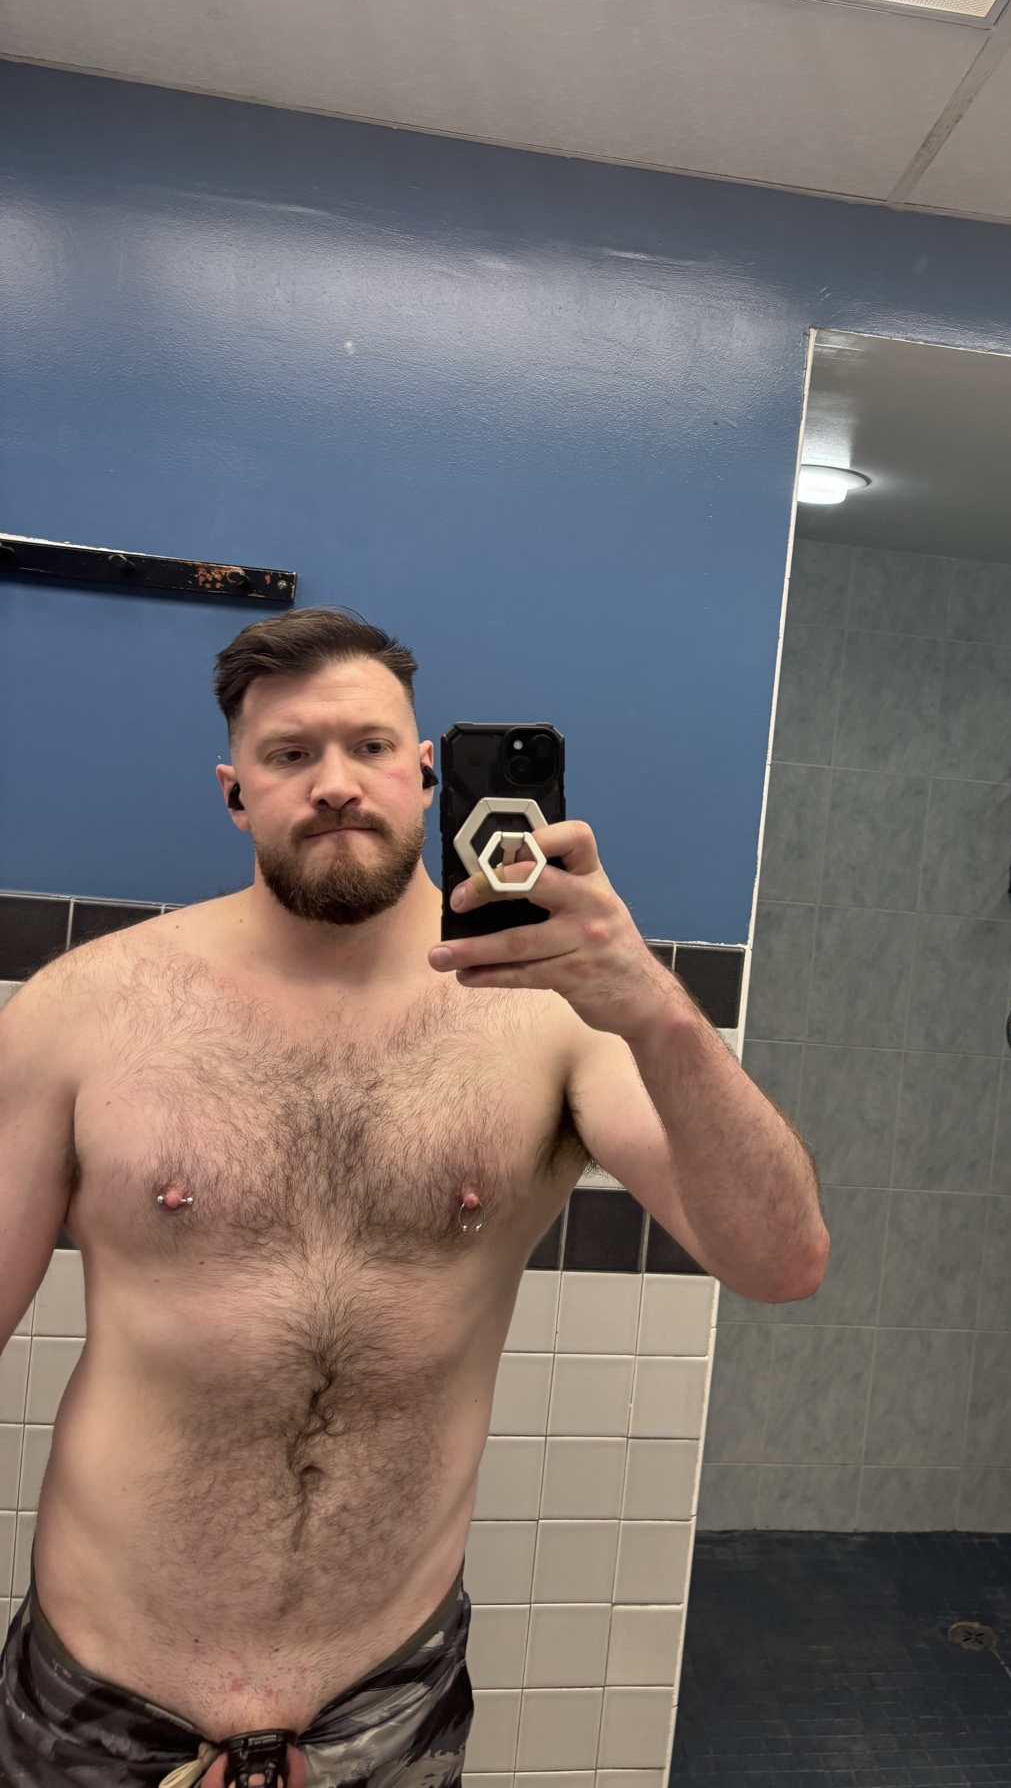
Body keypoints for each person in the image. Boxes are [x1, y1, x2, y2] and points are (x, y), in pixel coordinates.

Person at [0, 607, 828, 1788]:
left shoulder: (559, 1018)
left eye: (371, 747)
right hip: (95, 1709)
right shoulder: (82, 1011)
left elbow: (782, 1260)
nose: (335, 782)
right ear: (236, 794)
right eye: (291, 754)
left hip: (386, 1715)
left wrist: (652, 1004)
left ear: (428, 771)